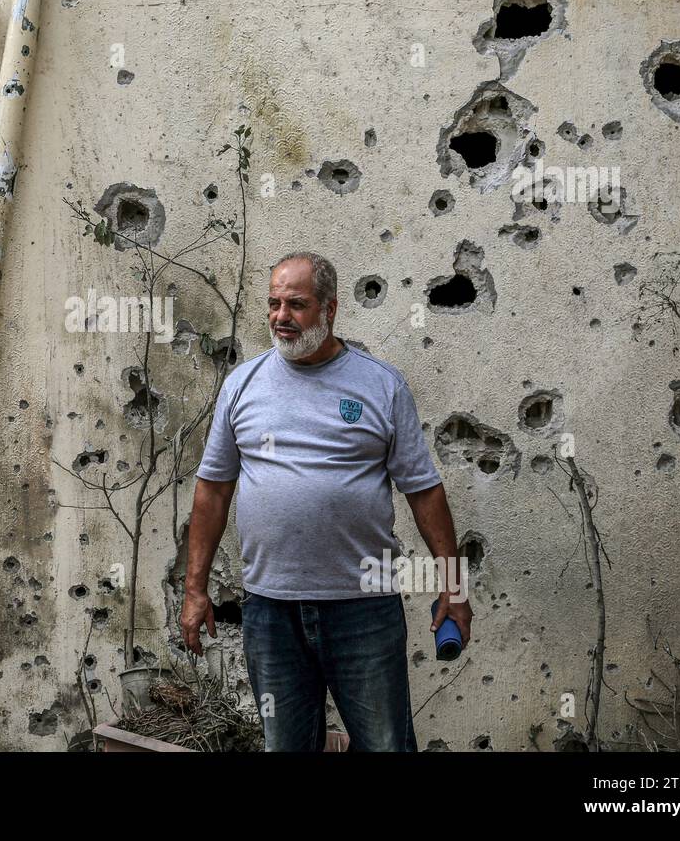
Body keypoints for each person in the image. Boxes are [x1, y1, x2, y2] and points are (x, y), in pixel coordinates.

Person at [180, 251, 473, 751]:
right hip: (271, 609)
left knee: (385, 744)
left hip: (364, 608)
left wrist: (454, 587)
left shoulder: (380, 385)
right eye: (273, 303)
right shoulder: (242, 385)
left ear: (330, 309)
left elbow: (424, 491)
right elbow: (213, 490)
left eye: (296, 304)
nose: (280, 317)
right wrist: (194, 589)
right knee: (285, 746)